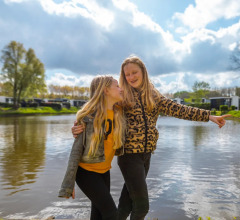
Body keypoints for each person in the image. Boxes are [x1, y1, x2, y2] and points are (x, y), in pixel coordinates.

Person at [72, 56, 231, 220]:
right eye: (127, 74)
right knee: (142, 207)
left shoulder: (153, 95)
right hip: (129, 156)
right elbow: (100, 109)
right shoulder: (122, 95)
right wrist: (79, 127)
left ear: (143, 72)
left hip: (146, 156)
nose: (131, 77)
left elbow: (177, 109)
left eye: (134, 72)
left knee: (126, 206)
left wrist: (209, 116)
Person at [59, 75, 126, 220]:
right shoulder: (88, 117)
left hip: (104, 172)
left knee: (98, 214)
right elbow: (75, 152)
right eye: (117, 86)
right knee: (112, 214)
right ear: (106, 90)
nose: (121, 89)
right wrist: (68, 185)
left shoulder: (119, 114)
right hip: (86, 173)